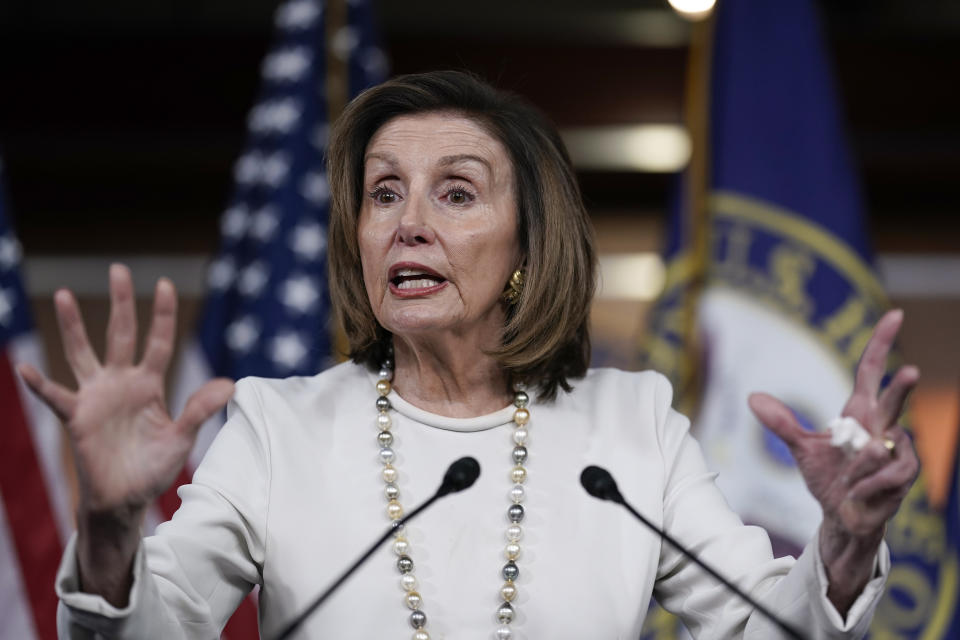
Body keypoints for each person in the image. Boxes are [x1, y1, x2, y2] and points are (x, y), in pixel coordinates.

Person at [22, 71, 919, 639]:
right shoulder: (278, 426)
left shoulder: (632, 426)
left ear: (529, 246)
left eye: (456, 192)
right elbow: (145, 631)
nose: (409, 221)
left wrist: (844, 543)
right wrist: (109, 526)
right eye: (384, 194)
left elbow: (767, 627)